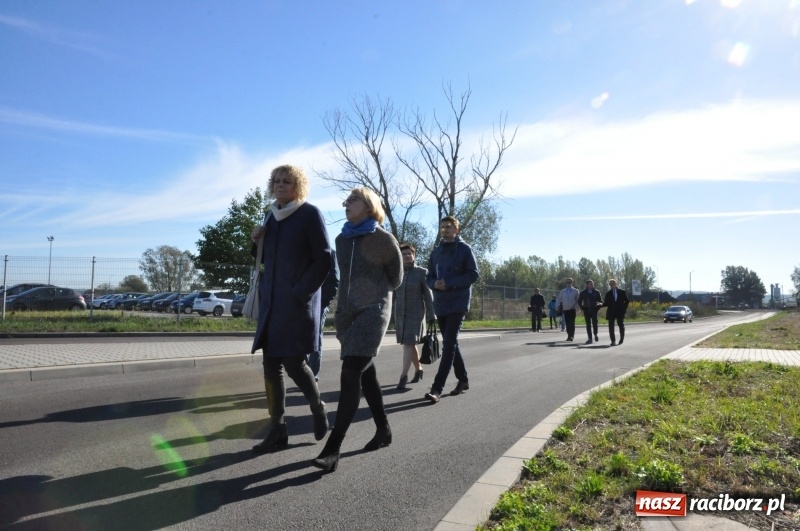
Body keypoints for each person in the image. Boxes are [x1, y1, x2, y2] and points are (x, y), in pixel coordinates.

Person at [312, 187, 403, 472]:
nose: (345, 203)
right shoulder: (341, 240)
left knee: (351, 372)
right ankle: (384, 429)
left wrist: (373, 297)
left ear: (369, 205)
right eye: (346, 200)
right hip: (347, 316)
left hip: (374, 313)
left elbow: (396, 279)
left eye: (353, 200)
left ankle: (333, 449)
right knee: (367, 374)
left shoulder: (384, 239)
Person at [250, 165, 332, 454]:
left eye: (287, 181)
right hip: (272, 302)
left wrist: (300, 293)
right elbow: (262, 260)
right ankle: (278, 428)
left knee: (294, 363)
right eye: (276, 181)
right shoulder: (270, 215)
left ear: (299, 186)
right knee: (270, 366)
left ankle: (317, 406)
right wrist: (255, 241)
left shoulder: (310, 214)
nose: (281, 185)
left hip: (297, 304)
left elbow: (323, 259)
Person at [424, 216, 480, 404]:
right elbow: (429, 276)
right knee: (451, 343)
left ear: (457, 229)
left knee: (448, 345)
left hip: (458, 303)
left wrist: (450, 284)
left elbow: (473, 274)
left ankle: (436, 389)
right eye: (442, 227)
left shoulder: (465, 250)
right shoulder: (436, 252)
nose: (445, 230)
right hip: (440, 303)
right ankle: (463, 380)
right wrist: (435, 284)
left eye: (449, 227)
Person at [394, 243, 435, 390]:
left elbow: (428, 296)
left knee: (408, 344)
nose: (406, 256)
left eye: (408, 254)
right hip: (400, 314)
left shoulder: (421, 272)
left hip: (416, 314)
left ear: (414, 255)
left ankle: (403, 376)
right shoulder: (397, 272)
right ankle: (419, 370)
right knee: (410, 344)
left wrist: (431, 315)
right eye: (403, 254)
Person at [308, 250, 339, 381]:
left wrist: (323, 301)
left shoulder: (329, 252)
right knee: (298, 335)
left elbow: (334, 279)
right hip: (299, 302)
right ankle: (304, 370)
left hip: (320, 302)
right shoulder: (298, 248)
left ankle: (312, 375)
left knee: (315, 335)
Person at [603, 279, 630, 346]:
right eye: (610, 284)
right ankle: (613, 341)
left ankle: (621, 339)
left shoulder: (622, 292)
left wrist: (624, 309)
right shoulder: (608, 293)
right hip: (611, 312)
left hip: (620, 312)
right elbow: (606, 303)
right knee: (611, 327)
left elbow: (627, 301)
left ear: (616, 284)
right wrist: (600, 304)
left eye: (612, 284)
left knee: (621, 325)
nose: (611, 286)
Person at [578, 280, 603, 344]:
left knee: (595, 323)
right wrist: (582, 308)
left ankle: (595, 334)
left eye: (592, 284)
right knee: (588, 325)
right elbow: (579, 301)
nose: (591, 285)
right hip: (586, 310)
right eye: (590, 284)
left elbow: (601, 301)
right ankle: (590, 338)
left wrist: (598, 307)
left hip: (594, 310)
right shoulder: (583, 293)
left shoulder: (596, 292)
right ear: (587, 285)